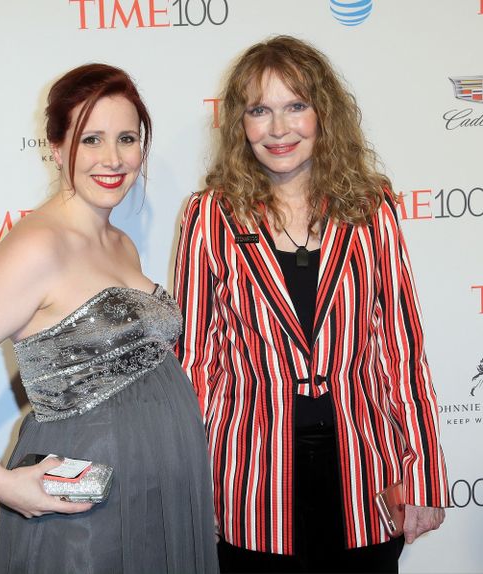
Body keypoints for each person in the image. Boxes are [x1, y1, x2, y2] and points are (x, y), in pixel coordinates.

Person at [0, 63, 219, 574]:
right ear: (57, 148)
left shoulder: (121, 244)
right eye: (90, 139)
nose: (112, 158)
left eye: (126, 139)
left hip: (158, 490)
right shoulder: (38, 246)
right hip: (88, 508)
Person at [174, 36, 448, 573]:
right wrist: (191, 483)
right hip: (249, 478)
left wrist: (423, 475)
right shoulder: (210, 216)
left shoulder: (372, 209)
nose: (279, 129)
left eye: (296, 106)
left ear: (324, 113)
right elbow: (198, 362)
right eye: (260, 111)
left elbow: (402, 351)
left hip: (365, 475)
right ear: (240, 124)